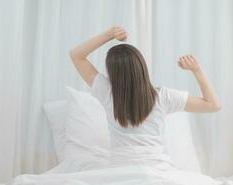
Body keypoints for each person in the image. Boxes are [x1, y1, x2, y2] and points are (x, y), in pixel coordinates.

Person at [69, 26, 221, 166]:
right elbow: (214, 105)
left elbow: (76, 55)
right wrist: (196, 69)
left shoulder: (106, 92)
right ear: (141, 66)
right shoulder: (163, 96)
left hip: (120, 171)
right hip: (157, 170)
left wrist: (109, 35)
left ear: (112, 72)